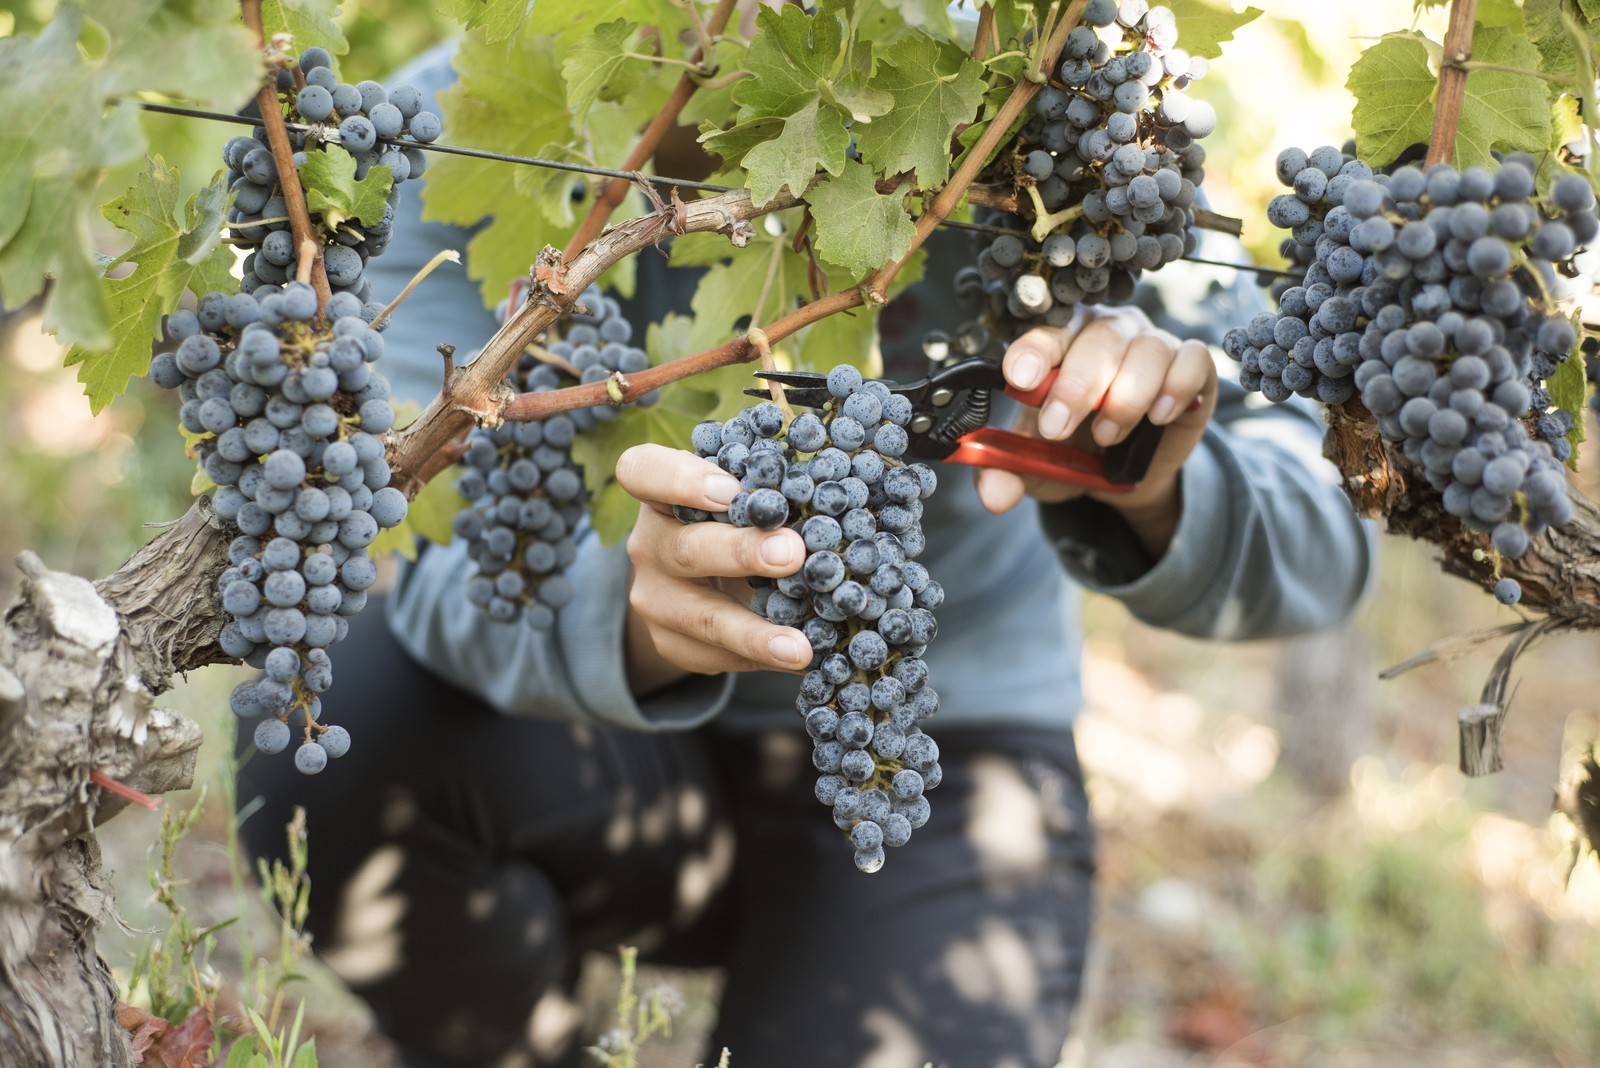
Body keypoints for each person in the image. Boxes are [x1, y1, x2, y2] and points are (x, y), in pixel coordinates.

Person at [237, 39, 1374, 1068]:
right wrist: (633, 626)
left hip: (933, 757)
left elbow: (1322, 534)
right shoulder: (439, 127)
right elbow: (418, 536)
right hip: (593, 753)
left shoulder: (1039, 115)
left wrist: (1159, 483)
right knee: (328, 740)